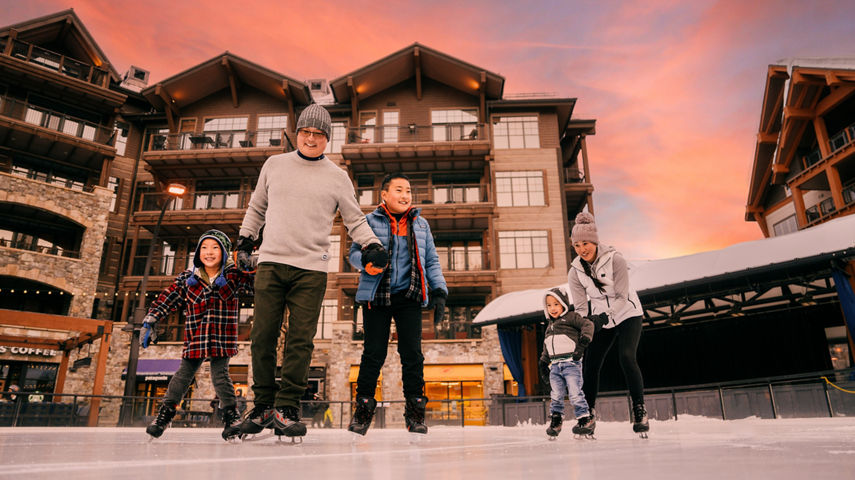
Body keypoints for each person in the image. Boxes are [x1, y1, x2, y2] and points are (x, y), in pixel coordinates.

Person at [236, 104, 388, 440]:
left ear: (327, 139)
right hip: (271, 262)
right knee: (262, 336)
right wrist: (245, 240)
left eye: (318, 134)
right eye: (305, 132)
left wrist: (372, 244)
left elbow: (354, 219)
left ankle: (287, 407)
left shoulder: (337, 177)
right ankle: (262, 405)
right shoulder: (274, 165)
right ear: (297, 134)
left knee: (301, 340)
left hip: (311, 268)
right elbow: (257, 207)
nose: (310, 138)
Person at [346, 172, 448, 436]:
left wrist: (439, 291)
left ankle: (415, 413)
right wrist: (365, 263)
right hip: (377, 295)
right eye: (399, 190)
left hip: (408, 295)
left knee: (412, 354)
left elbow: (432, 260)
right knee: (373, 353)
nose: (405, 195)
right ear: (384, 194)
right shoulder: (369, 222)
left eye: (408, 191)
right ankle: (363, 411)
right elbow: (353, 254)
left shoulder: (421, 225)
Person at [140, 229, 254, 441]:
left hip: (222, 336)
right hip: (197, 335)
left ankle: (231, 417)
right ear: (198, 253)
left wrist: (249, 266)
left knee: (220, 376)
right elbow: (169, 297)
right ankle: (165, 415)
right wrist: (152, 318)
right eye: (204, 248)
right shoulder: (188, 278)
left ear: (224, 252)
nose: (209, 252)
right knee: (183, 375)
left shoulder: (233, 275)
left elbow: (254, 285)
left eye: (215, 248)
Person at [567, 212, 649, 436]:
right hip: (601, 318)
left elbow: (621, 297)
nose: (582, 249)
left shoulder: (615, 260)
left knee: (626, 356)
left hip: (628, 312)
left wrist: (605, 316)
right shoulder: (575, 272)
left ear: (595, 241)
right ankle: (587, 415)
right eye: (577, 245)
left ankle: (639, 410)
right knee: (591, 362)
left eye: (585, 243)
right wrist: (582, 327)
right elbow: (581, 307)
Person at [538, 287, 597, 438]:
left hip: (571, 364)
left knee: (575, 393)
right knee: (556, 394)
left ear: (564, 304)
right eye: (549, 305)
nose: (552, 308)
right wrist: (543, 362)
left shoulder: (571, 317)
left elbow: (588, 325)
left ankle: (584, 419)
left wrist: (583, 343)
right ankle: (556, 420)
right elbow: (547, 345)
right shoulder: (549, 326)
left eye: (556, 304)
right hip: (555, 366)